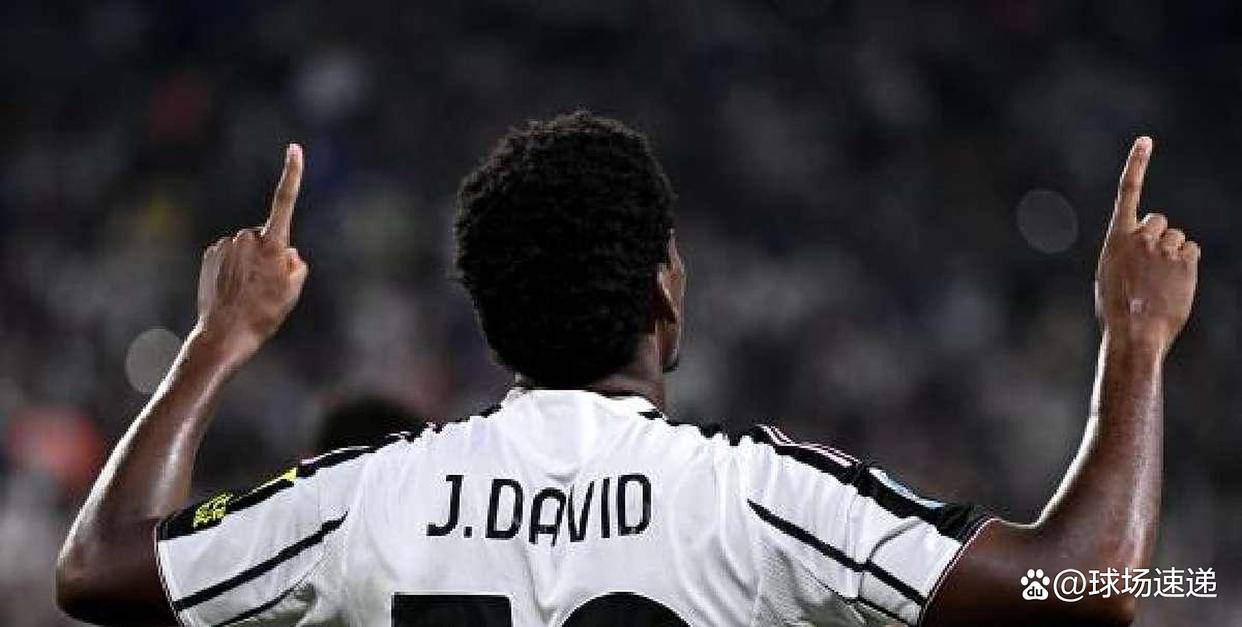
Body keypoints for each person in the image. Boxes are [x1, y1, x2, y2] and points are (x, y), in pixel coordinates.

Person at [55, 114, 1198, 626]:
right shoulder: (757, 499)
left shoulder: (366, 494)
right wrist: (1135, 339)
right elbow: (1085, 584)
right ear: (665, 292)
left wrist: (220, 338)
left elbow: (99, 568)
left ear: (492, 320)